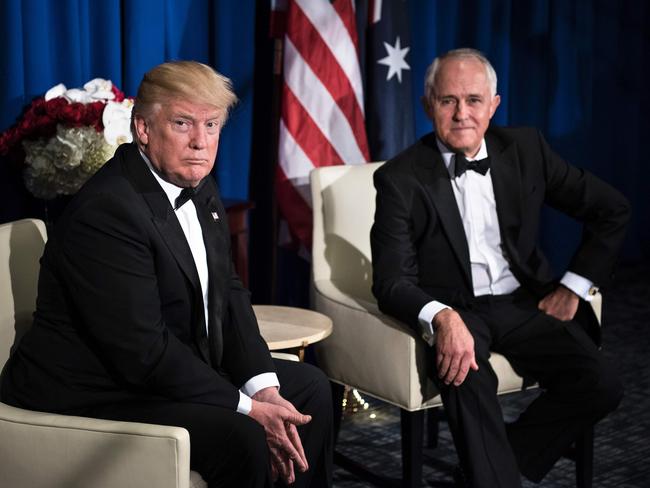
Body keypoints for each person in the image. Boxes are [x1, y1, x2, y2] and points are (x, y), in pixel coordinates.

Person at [0, 61, 332, 487]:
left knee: (309, 390)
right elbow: (143, 352)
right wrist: (248, 408)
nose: (201, 142)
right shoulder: (108, 212)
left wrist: (263, 388)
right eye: (182, 123)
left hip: (159, 369)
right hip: (97, 390)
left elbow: (228, 293)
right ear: (143, 128)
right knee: (243, 432)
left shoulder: (198, 183)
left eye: (212, 125)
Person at [371, 48, 629, 488]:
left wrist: (575, 285)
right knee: (464, 375)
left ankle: (490, 468)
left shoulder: (526, 149)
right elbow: (391, 281)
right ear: (427, 104)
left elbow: (612, 209)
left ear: (494, 105)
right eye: (448, 100)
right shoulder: (400, 178)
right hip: (455, 308)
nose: (461, 114)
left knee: (602, 382)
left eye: (473, 100)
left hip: (522, 301)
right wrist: (442, 317)